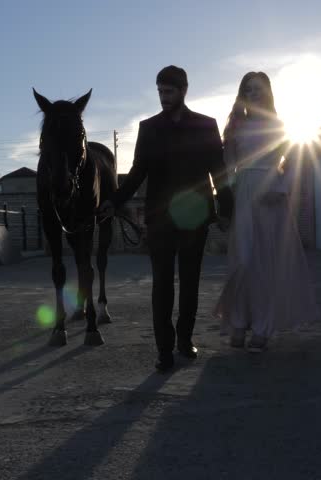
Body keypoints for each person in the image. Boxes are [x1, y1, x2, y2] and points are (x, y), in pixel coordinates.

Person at [100, 65, 233, 372]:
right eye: (159, 91)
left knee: (189, 283)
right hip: (160, 219)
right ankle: (164, 349)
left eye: (168, 91)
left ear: (184, 90)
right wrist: (114, 200)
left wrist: (227, 210)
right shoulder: (148, 128)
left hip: (195, 218)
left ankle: (184, 340)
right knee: (161, 285)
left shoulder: (205, 126)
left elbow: (220, 173)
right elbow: (137, 173)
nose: (163, 97)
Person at [213, 71, 320, 353]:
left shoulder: (279, 125)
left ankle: (262, 326)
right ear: (242, 95)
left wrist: (282, 185)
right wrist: (226, 199)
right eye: (248, 90)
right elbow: (227, 167)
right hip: (245, 194)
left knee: (266, 265)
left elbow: (295, 160)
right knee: (244, 262)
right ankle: (238, 320)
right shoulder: (236, 127)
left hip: (273, 195)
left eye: (258, 89)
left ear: (268, 92)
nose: (253, 94)